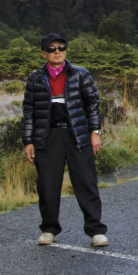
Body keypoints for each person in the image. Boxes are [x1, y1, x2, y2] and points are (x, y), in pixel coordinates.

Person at [23, 33, 107, 247]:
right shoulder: (35, 78)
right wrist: (28, 141)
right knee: (47, 185)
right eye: (51, 49)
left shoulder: (80, 74)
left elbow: (92, 104)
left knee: (86, 182)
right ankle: (49, 229)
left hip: (78, 135)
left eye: (61, 47)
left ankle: (95, 231)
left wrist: (95, 132)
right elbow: (29, 111)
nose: (57, 51)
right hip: (48, 137)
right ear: (44, 54)